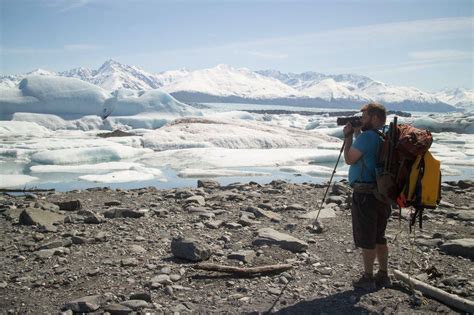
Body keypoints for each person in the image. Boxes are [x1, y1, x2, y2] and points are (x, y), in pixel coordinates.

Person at [343, 103, 392, 290]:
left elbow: (350, 159)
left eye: (363, 116)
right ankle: (383, 275)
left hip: (365, 194)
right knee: (380, 236)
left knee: (367, 238)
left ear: (373, 117)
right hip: (382, 193)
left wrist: (348, 138)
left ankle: (368, 277)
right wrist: (356, 134)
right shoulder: (384, 135)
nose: (361, 120)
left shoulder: (367, 138)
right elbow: (368, 155)